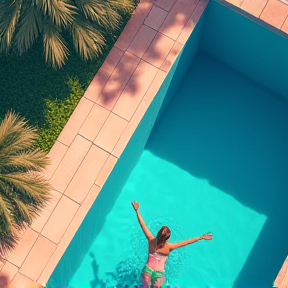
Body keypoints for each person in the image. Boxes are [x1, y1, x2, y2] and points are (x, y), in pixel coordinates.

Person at [132, 201, 212, 288]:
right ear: (167, 238)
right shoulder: (170, 247)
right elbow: (186, 242)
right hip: (159, 273)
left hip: (148, 269)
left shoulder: (150, 239)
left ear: (158, 233)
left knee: (144, 286)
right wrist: (200, 237)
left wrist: (137, 210)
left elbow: (143, 225)